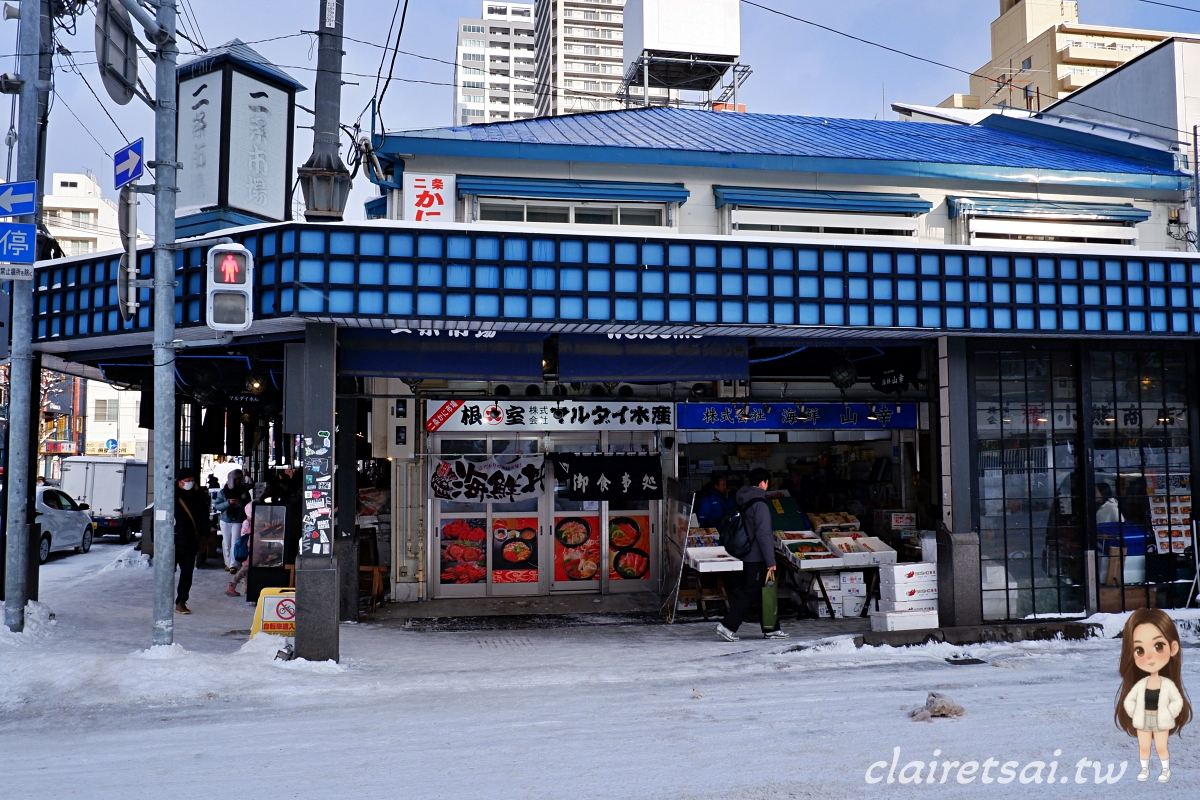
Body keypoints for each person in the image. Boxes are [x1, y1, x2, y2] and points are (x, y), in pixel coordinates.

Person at [1116, 609, 1192, 783]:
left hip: (1161, 719)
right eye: (1139, 650)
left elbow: (1176, 701)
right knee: (1144, 746)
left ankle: (1165, 770)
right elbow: (1129, 700)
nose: (1149, 655)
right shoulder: (1141, 684)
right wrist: (1135, 712)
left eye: (1158, 646)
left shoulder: (1167, 684)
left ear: (1173, 648)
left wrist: (1168, 713)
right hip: (1144, 719)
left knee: (1160, 746)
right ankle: (1144, 769)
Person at [716, 467, 788, 642]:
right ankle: (727, 626)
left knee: (764, 591)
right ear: (763, 482)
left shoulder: (744, 499)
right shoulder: (760, 505)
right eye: (767, 482)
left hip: (747, 553)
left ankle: (771, 628)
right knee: (751, 591)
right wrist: (771, 560)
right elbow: (763, 535)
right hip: (757, 556)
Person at [173, 469, 209, 615]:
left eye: (191, 481)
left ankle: (181, 601)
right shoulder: (169, 497)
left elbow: (204, 518)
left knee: (187, 573)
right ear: (179, 482)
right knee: (167, 573)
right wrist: (155, 541)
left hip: (190, 542)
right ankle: (163, 599)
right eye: (186, 481)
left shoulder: (197, 497)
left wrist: (205, 537)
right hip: (172, 541)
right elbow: (156, 518)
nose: (189, 483)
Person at [213, 469, 251, 573]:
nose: (238, 481)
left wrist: (238, 503)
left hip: (238, 519)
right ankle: (227, 563)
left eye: (240, 478)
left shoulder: (244, 491)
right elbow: (217, 506)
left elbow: (248, 506)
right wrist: (229, 503)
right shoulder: (223, 491)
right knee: (226, 542)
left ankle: (233, 565)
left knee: (235, 542)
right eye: (236, 479)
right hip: (225, 519)